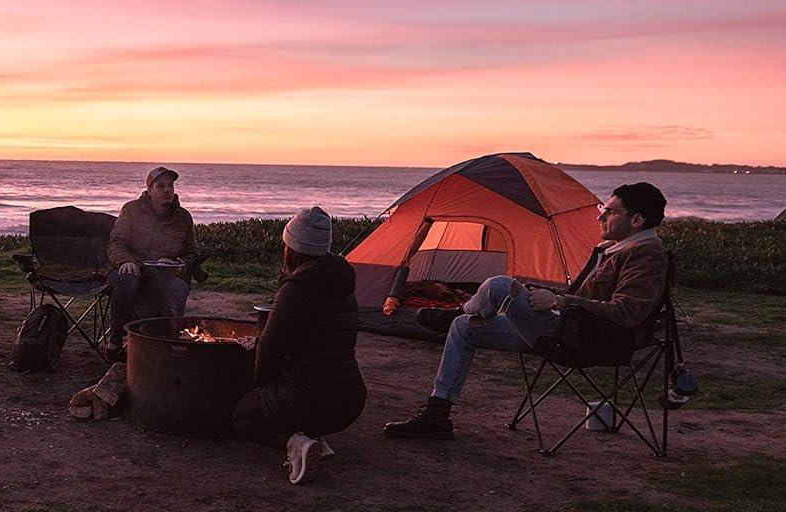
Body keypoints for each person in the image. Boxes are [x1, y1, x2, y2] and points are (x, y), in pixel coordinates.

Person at [385, 182, 669, 440]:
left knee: (499, 286)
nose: (600, 217)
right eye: (602, 209)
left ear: (637, 220)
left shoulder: (646, 255)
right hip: (563, 327)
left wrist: (558, 302)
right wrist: (555, 297)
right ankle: (438, 414)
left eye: (609, 211)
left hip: (584, 339)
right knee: (464, 326)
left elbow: (626, 313)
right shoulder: (612, 250)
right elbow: (581, 298)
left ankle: (458, 311)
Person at [232, 207, 365, 483]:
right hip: (349, 401)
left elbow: (268, 355)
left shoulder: (295, 291)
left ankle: (296, 443)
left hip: (306, 399)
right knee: (304, 389)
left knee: (242, 417)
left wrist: (261, 385)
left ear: (292, 248)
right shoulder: (344, 287)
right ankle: (315, 436)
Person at [104, 166, 200, 359]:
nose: (167, 190)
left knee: (179, 288)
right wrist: (126, 261)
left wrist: (177, 263)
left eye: (170, 186)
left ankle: (168, 341)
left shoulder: (183, 217)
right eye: (161, 186)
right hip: (133, 267)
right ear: (150, 190)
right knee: (128, 277)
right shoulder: (131, 210)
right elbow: (115, 243)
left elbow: (192, 252)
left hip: (164, 272)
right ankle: (114, 342)